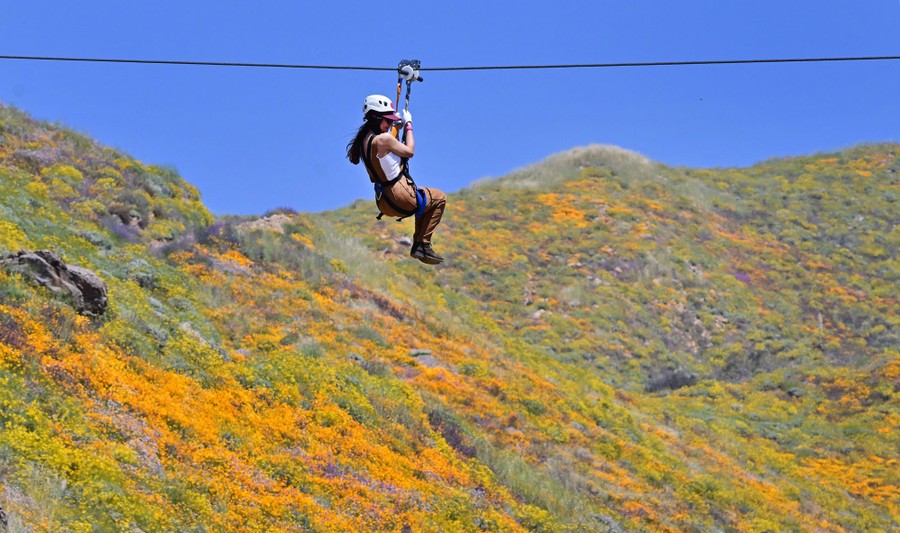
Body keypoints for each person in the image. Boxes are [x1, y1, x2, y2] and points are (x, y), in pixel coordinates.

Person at [346, 94, 446, 265]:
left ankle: (420, 244)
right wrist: (408, 125)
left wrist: (395, 128)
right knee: (439, 198)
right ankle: (422, 243)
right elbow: (409, 151)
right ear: (377, 118)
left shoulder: (365, 139)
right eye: (387, 121)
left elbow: (385, 149)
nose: (389, 125)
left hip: (383, 200)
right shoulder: (383, 139)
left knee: (426, 197)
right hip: (400, 196)